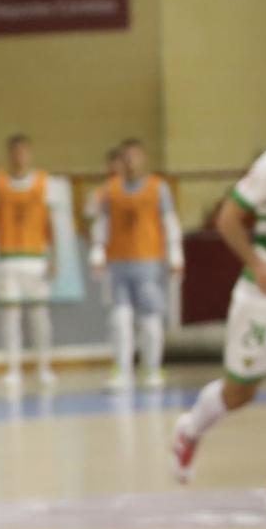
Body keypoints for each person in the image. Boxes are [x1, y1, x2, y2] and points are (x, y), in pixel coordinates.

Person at [171, 144, 266, 510]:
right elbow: (227, 219)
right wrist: (258, 265)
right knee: (239, 392)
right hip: (263, 298)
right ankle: (190, 428)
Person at [91, 139, 183, 390]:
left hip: (149, 261)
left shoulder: (157, 188)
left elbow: (169, 221)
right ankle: (123, 369)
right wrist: (97, 252)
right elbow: (101, 223)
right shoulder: (109, 190)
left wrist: (175, 255)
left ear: (143, 158)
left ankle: (153, 368)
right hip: (118, 262)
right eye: (126, 157)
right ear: (120, 161)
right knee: (120, 318)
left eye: (135, 157)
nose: (130, 162)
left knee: (151, 318)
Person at [0, 134, 58, 389]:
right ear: (8, 153)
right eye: (15, 151)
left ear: (30, 153)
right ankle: (13, 368)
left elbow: (50, 223)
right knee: (10, 317)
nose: (19, 156)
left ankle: (44, 366)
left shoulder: (44, 182)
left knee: (40, 317)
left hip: (35, 258)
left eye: (24, 151)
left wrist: (54, 256)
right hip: (7, 259)